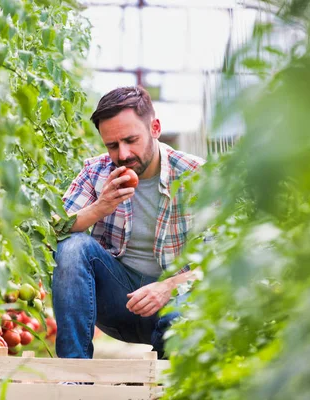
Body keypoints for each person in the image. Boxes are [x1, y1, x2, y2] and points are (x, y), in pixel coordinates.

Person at [52, 86, 204, 360]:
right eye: (112, 145)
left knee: (185, 313)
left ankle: (161, 380)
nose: (122, 154)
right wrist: (101, 206)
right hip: (117, 302)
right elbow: (53, 230)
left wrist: (167, 286)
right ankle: (73, 374)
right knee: (73, 246)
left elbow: (225, 260)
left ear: (155, 127)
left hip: (174, 305)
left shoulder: (197, 176)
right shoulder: (96, 171)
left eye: (131, 140)